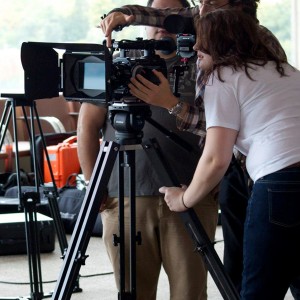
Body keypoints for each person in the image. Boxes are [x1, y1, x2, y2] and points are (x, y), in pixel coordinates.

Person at [99, 0, 295, 295]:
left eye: (198, 51)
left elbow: (217, 155)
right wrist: (127, 14)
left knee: (259, 288)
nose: (194, 57)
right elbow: (163, 15)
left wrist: (184, 199)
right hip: (279, 173)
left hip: (276, 181)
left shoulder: (223, 73)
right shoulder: (285, 70)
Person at [77, 0, 219, 299]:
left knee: (190, 292)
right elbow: (87, 129)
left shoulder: (204, 65)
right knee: (132, 291)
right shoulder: (114, 67)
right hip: (123, 195)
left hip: (191, 193)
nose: (161, 24)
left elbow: (224, 128)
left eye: (171, 16)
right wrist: (94, 183)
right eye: (157, 16)